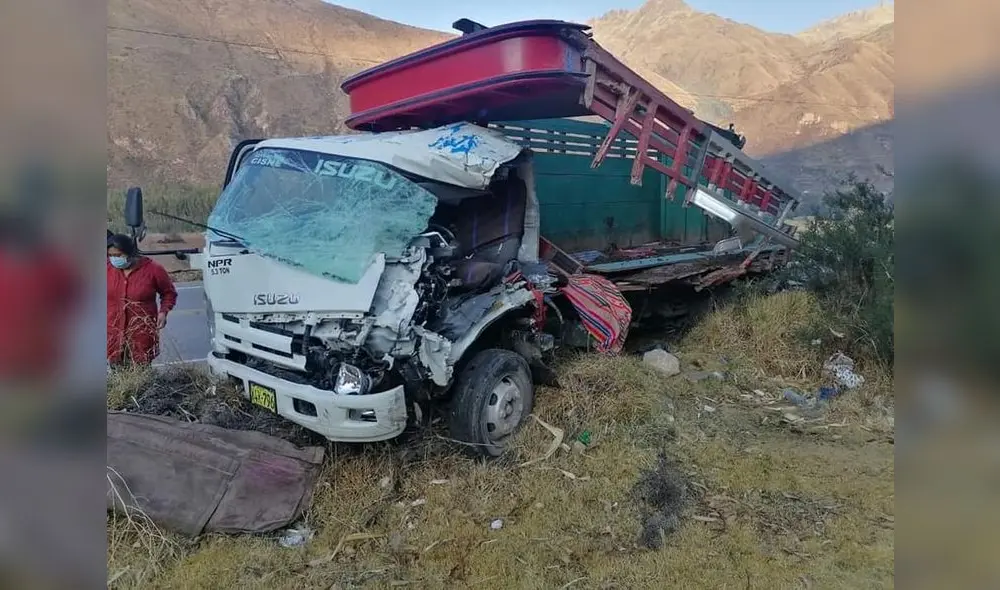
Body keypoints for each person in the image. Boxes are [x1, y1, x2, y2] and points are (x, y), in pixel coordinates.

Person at [106, 233, 177, 366]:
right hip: (113, 335)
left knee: (140, 372)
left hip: (141, 334)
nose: (114, 259)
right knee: (117, 373)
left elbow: (168, 293)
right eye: (111, 255)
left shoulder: (153, 269)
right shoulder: (107, 270)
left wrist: (163, 312)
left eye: (118, 255)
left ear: (130, 252)